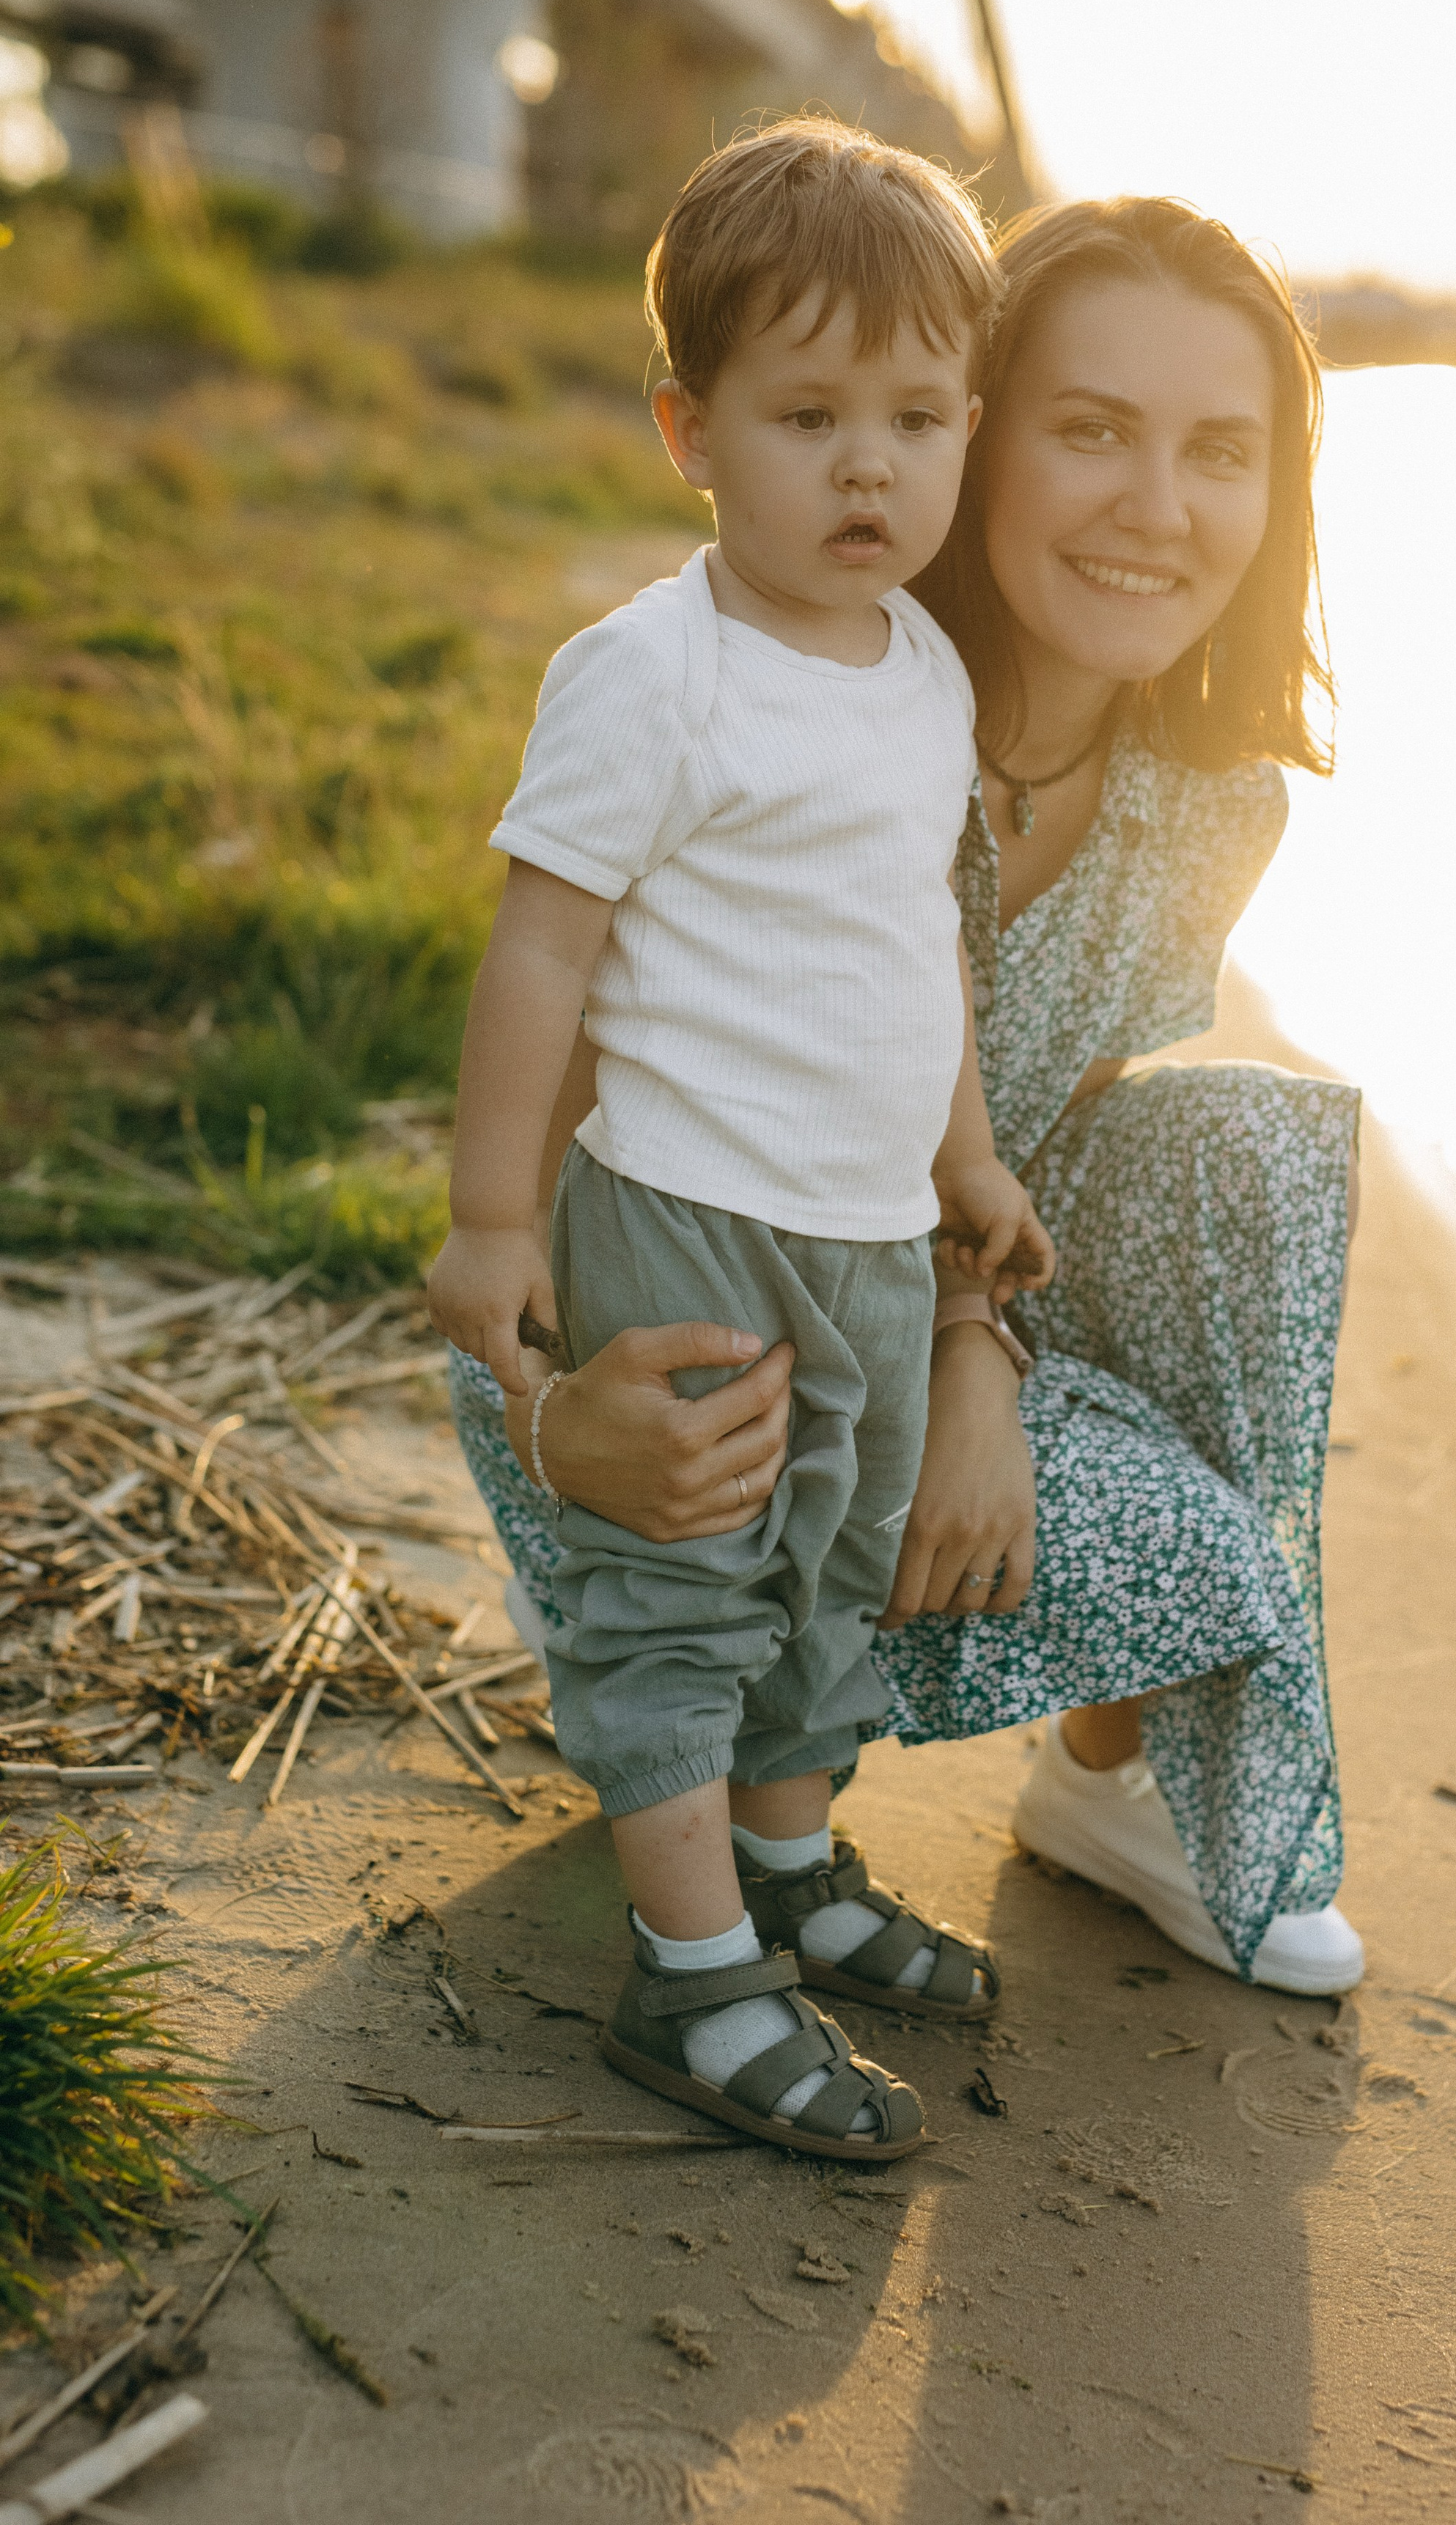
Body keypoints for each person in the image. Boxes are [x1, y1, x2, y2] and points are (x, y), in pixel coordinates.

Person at [451, 191, 1364, 2002]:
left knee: (1245, 1164)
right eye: (1090, 428)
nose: (1155, 508)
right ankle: (679, 1823)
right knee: (728, 1581)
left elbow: (1043, 1137)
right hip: (658, 1346)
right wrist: (559, 1423)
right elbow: (558, 1107)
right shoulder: (770, 692)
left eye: (1218, 453)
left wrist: (974, 1365)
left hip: (893, 1300)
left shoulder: (1201, 803)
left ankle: (1107, 1787)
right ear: (981, 412)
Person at [427, 120, 1053, 2164]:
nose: (870, 469)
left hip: (869, 1233)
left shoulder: (929, 671)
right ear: (693, 429)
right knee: (684, 1592)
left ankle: (785, 1874)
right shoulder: (650, 675)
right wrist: (496, 1215)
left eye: (918, 418)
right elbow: (543, 953)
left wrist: (965, 1165)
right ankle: (688, 1976)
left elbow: (915, 949)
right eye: (807, 417)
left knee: (833, 1583)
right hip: (689, 1217)